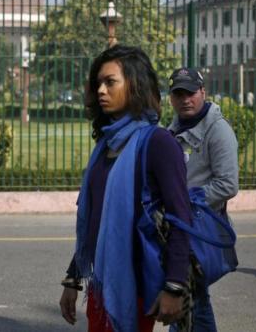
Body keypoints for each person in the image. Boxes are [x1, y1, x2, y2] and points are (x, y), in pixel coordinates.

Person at [59, 45, 193, 332]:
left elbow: (181, 218)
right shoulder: (105, 145)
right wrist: (73, 277)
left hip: (136, 283)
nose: (101, 90)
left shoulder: (158, 143)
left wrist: (175, 286)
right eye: (98, 83)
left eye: (110, 82)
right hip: (102, 282)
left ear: (134, 84)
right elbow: (95, 220)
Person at [167, 68, 239, 332]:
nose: (185, 99)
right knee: (190, 299)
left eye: (191, 93)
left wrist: (186, 201)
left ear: (203, 92)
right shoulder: (172, 130)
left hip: (199, 229)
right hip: (179, 228)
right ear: (171, 98)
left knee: (191, 298)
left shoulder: (218, 130)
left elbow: (228, 184)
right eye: (179, 94)